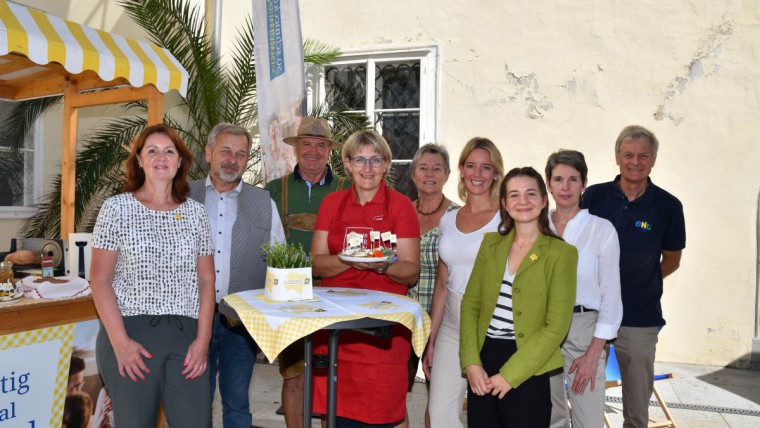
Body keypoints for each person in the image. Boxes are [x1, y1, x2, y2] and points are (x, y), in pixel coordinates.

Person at [91, 124, 215, 427]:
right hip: (131, 334)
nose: (161, 157)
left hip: (188, 338)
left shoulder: (196, 214)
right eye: (152, 151)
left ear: (180, 162)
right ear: (139, 160)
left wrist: (203, 340)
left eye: (169, 151)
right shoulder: (116, 209)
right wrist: (120, 343)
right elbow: (100, 280)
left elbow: (207, 281)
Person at [311, 129, 421, 427]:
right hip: (336, 324)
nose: (367, 168)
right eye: (359, 160)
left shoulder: (401, 207)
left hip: (382, 327)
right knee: (333, 410)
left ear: (386, 164)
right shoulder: (331, 204)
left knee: (386, 409)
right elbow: (317, 264)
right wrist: (347, 259)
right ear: (347, 164)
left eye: (375, 160)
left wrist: (381, 265)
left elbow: (411, 270)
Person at [583, 125, 685, 428]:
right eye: (628, 154)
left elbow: (672, 261)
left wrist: (637, 283)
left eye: (643, 156)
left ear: (653, 159)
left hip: (639, 318)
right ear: (617, 157)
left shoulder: (668, 206)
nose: (635, 162)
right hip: (591, 315)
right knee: (585, 398)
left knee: (637, 411)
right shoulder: (593, 197)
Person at [460, 166, 578, 427]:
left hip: (529, 365)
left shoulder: (561, 253)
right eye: (514, 195)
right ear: (504, 203)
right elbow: (470, 305)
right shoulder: (490, 245)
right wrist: (471, 362)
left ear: (544, 200)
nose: (522, 202)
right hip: (484, 358)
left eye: (530, 194)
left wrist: (510, 376)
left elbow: (555, 327)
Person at [188, 123, 285, 427]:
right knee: (193, 404)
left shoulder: (263, 203)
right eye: (225, 151)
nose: (232, 159)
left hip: (240, 323)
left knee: (237, 405)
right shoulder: (182, 196)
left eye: (240, 154)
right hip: (189, 321)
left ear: (247, 161)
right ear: (208, 153)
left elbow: (279, 262)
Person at [265, 116, 348, 427]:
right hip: (290, 299)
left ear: (329, 150)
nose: (313, 151)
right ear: (295, 149)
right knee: (294, 375)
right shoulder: (274, 189)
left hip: (336, 295)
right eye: (306, 144)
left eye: (320, 145)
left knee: (333, 375)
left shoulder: (348, 189)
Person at [423, 137, 504, 428]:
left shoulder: (507, 219)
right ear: (461, 169)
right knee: (440, 414)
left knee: (488, 415)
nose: (477, 174)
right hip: (451, 325)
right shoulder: (449, 219)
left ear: (495, 173)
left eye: (485, 167)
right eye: (471, 166)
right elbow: (443, 284)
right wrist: (430, 340)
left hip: (491, 323)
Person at [544, 150, 623, 428]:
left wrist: (594, 352)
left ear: (584, 184)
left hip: (584, 329)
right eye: (558, 179)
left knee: (588, 420)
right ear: (548, 184)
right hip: (543, 329)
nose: (565, 187)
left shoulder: (601, 230)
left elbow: (612, 294)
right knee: (550, 418)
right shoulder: (536, 227)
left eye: (573, 179)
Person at [397, 143, 459, 428]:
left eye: (437, 168)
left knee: (439, 399)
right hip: (403, 319)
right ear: (413, 174)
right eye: (423, 168)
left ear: (447, 174)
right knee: (393, 395)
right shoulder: (401, 213)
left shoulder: (458, 218)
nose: (430, 174)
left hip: (444, 321)